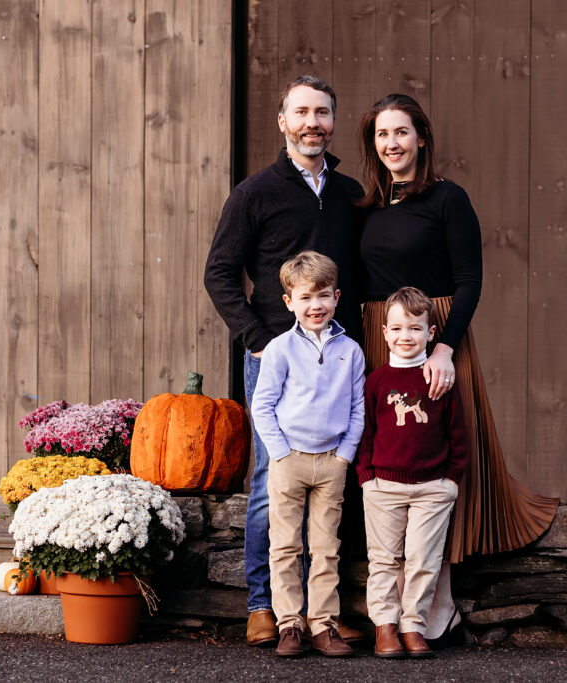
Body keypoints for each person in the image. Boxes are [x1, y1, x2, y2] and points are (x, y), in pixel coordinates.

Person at [356, 93, 561, 645]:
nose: (392, 143)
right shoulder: (366, 207)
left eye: (401, 132)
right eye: (381, 135)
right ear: (372, 145)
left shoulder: (449, 199)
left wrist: (444, 346)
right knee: (392, 462)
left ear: (421, 137)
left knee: (435, 460)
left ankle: (435, 602)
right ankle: (396, 610)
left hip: (436, 336)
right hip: (384, 340)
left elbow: (470, 280)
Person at [204, 75, 364, 648]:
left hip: (336, 359)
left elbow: (362, 276)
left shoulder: (350, 194)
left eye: (321, 113)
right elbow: (219, 271)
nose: (311, 123)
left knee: (334, 484)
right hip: (276, 358)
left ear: (333, 121)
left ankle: (326, 611)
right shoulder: (255, 192)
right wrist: (255, 337)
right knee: (273, 484)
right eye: (300, 113)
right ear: (282, 122)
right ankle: (263, 605)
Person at [249, 251, 366, 657]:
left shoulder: (350, 350)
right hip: (289, 460)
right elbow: (262, 405)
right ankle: (289, 624)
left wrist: (345, 455)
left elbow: (357, 407)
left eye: (322, 296)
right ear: (289, 302)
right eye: (304, 298)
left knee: (325, 547)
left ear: (336, 296)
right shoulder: (280, 349)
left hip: (332, 461)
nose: (314, 306)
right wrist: (279, 453)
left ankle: (324, 624)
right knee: (284, 546)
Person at [356, 287, 469, 658]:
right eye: (398, 328)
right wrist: (366, 479)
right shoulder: (376, 382)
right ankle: (385, 627)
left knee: (423, 560)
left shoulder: (439, 379)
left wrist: (451, 480)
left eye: (416, 329)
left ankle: (413, 626)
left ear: (431, 333)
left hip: (433, 488)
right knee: (384, 560)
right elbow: (366, 432)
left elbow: (457, 433)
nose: (407, 336)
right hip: (383, 486)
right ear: (385, 333)